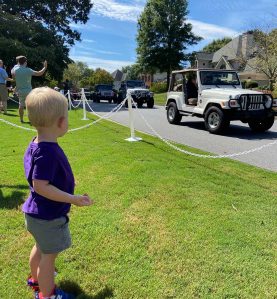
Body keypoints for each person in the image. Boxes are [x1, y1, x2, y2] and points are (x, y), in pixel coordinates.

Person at [23, 87, 93, 299]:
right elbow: (41, 185)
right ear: (62, 122)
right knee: (48, 257)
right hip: (47, 216)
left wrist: (66, 183)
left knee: (40, 247)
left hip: (35, 214)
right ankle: (47, 294)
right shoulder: (48, 152)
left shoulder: (35, 144)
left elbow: (44, 179)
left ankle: (35, 280)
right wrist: (72, 198)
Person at [12, 56, 47, 123]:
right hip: (29, 91)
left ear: (18, 62)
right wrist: (45, 67)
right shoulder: (28, 70)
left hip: (20, 91)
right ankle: (32, 119)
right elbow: (39, 73)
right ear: (25, 62)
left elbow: (14, 77)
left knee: (21, 105)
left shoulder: (15, 70)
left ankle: (21, 120)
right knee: (31, 106)